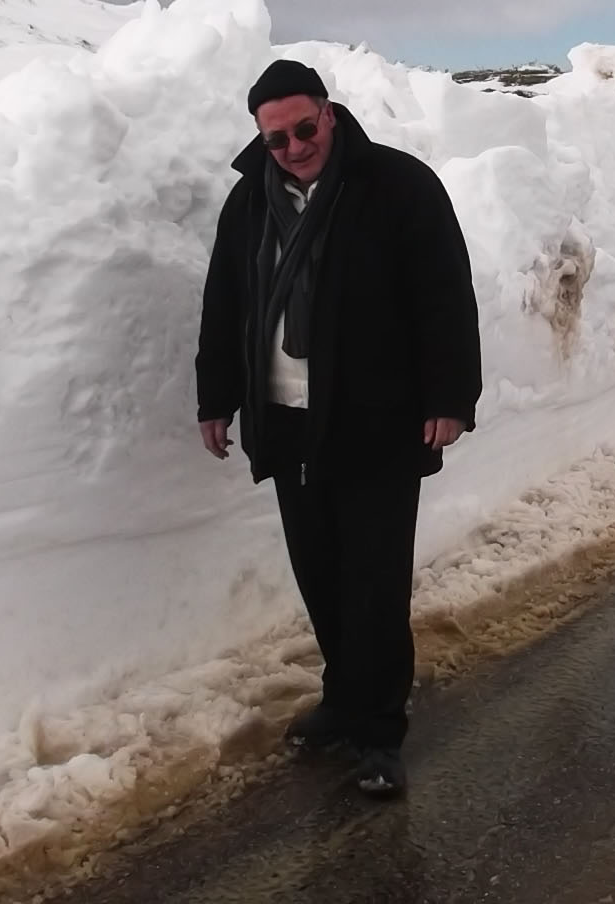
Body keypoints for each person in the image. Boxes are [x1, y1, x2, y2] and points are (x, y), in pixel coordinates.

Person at [196, 58, 483, 798]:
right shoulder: (250, 202)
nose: (293, 147)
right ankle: (342, 699)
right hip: (287, 421)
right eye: (275, 138)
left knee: (374, 581)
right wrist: (216, 398)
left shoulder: (397, 185)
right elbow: (226, 303)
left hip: (376, 420)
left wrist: (448, 395)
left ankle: (380, 732)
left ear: (328, 113)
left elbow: (444, 295)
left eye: (302, 127)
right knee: (320, 569)